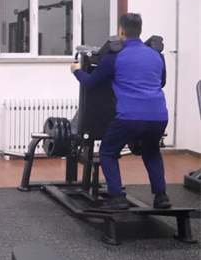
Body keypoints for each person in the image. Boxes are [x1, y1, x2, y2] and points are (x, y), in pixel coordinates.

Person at [70, 13, 170, 210]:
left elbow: (91, 83)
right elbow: (161, 82)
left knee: (108, 151)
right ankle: (161, 197)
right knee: (151, 152)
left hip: (130, 117)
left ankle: (117, 197)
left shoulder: (114, 57)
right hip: (159, 116)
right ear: (140, 31)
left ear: (121, 31)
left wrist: (76, 70)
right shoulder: (157, 56)